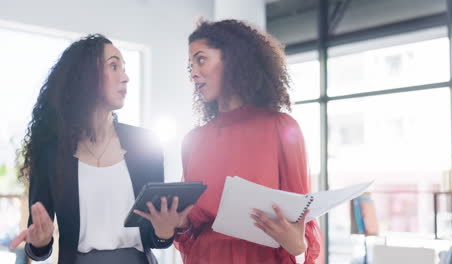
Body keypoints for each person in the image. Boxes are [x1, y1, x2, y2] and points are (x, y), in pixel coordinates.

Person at [10, 34, 191, 264]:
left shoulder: (146, 144)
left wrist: (164, 231)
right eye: (114, 66)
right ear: (86, 76)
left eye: (124, 68)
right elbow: (39, 248)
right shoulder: (50, 153)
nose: (125, 77)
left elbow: (155, 239)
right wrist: (40, 241)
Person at [174, 19, 322, 264]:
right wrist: (177, 225)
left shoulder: (281, 128)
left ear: (232, 59)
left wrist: (297, 244)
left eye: (201, 59)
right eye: (190, 65)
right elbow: (190, 237)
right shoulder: (192, 141)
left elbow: (300, 232)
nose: (193, 73)